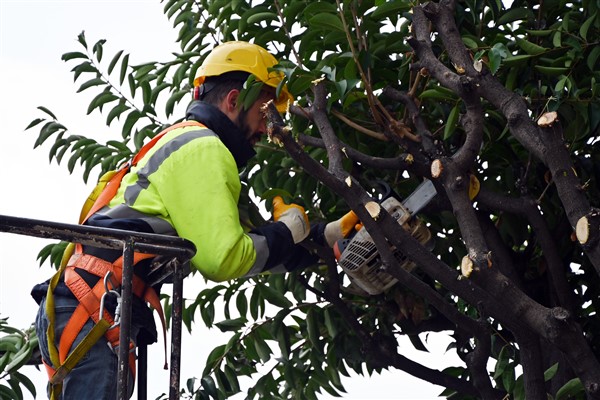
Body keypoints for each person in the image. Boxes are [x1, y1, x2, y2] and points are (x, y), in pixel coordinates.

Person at [31, 41, 359, 399]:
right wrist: (287, 229)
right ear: (234, 101)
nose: (267, 129)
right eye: (264, 114)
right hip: (91, 307)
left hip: (84, 305)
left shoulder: (186, 143)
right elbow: (225, 258)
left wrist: (318, 238)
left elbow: (244, 246)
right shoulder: (204, 148)